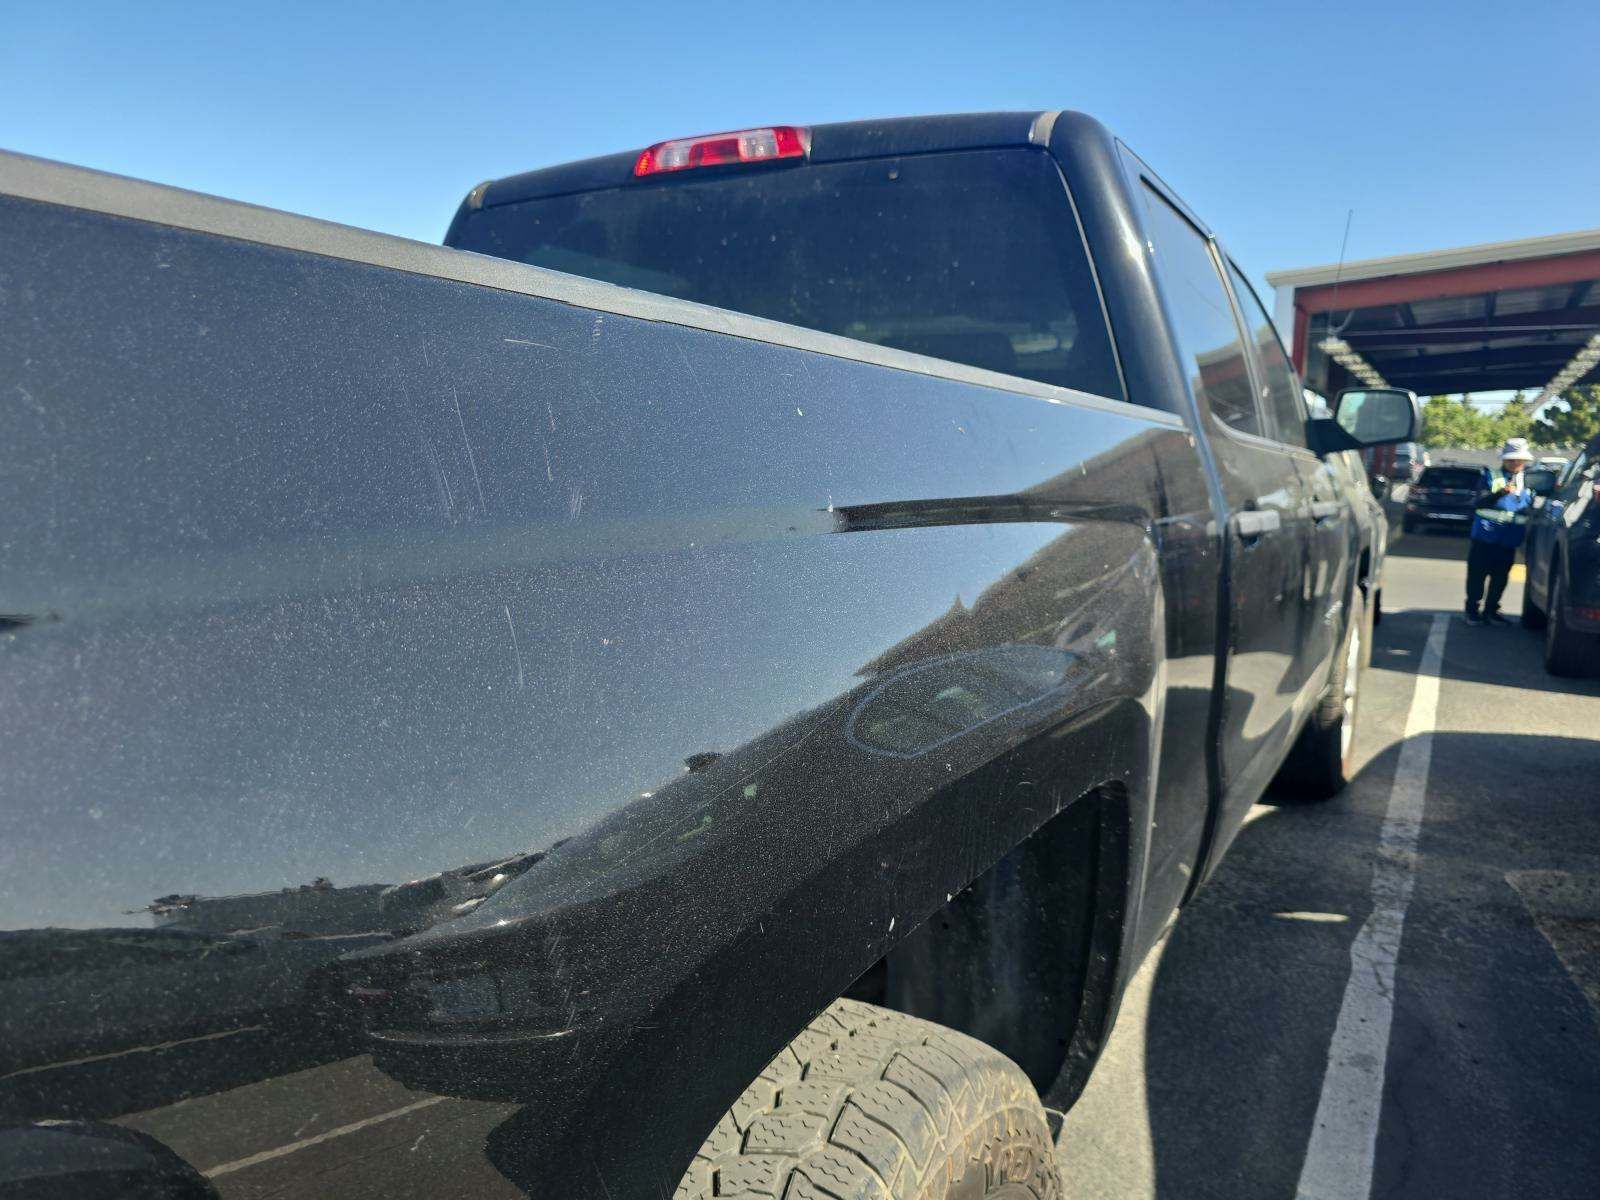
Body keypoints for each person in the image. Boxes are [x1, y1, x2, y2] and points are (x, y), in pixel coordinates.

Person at [1463, 438, 1536, 626]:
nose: (1515, 463)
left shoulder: (1530, 480)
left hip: (1509, 539)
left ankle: (1491, 610)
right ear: (1504, 460)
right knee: (1477, 575)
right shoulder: (1490, 476)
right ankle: (1472, 610)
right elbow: (1479, 502)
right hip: (1485, 537)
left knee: (1500, 578)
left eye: (1519, 460)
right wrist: (1500, 493)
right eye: (1511, 459)